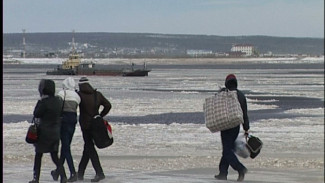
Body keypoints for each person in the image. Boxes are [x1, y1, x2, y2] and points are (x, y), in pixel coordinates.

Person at [30, 79, 67, 183]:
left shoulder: (44, 102)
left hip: (43, 133)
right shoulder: (58, 101)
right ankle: (63, 177)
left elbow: (36, 113)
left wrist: (39, 102)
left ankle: (36, 178)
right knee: (55, 156)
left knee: (38, 155)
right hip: (55, 132)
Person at [215, 74, 250, 182]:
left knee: (227, 150)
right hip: (235, 126)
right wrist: (246, 128)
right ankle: (223, 173)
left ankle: (240, 168)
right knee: (228, 148)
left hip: (225, 126)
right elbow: (244, 113)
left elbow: (216, 105)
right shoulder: (240, 95)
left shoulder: (223, 94)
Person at [77, 77, 112, 182]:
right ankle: (80, 173)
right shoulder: (97, 94)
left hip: (86, 126)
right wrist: (100, 115)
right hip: (97, 125)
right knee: (88, 149)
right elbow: (108, 105)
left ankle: (99, 173)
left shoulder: (79, 95)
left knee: (90, 149)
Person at [51, 77, 81, 182]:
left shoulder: (61, 94)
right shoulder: (77, 96)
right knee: (66, 146)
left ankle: (73, 172)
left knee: (66, 148)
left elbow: (56, 107)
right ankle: (57, 172)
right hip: (72, 122)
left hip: (63, 122)